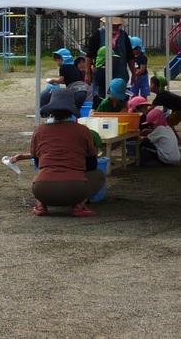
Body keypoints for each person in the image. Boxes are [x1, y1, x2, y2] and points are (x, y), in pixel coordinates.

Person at [27, 89, 104, 217]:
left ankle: (41, 204)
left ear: (51, 110)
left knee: (41, 172)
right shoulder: (83, 130)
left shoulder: (39, 130)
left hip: (42, 190)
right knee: (99, 175)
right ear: (71, 109)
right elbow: (92, 164)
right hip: (75, 190)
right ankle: (79, 206)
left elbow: (37, 161)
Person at [84, 16, 136, 100]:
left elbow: (130, 56)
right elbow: (89, 55)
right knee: (100, 99)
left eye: (117, 24)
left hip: (120, 74)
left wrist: (134, 74)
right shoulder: (98, 34)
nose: (116, 26)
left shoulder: (123, 35)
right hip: (102, 75)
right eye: (113, 24)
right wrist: (88, 73)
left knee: (119, 100)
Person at [40, 48, 88, 113]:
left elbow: (60, 80)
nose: (56, 62)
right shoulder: (73, 66)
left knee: (71, 110)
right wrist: (56, 82)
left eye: (56, 60)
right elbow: (68, 80)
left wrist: (53, 80)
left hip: (76, 92)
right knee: (77, 110)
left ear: (62, 59)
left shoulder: (63, 67)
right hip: (83, 90)